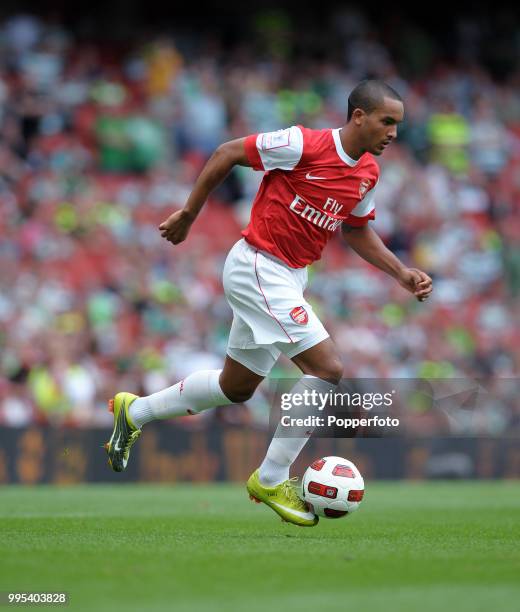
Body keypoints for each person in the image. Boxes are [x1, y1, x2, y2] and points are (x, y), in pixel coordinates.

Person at [104, 80, 432, 526]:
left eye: (398, 124)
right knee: (327, 369)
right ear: (359, 116)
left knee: (235, 387)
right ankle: (272, 478)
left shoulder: (368, 173)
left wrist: (400, 272)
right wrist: (189, 214)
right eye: (387, 121)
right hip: (258, 264)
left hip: (291, 277)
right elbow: (226, 152)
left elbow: (355, 230)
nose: (393, 132)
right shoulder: (304, 144)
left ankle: (134, 410)